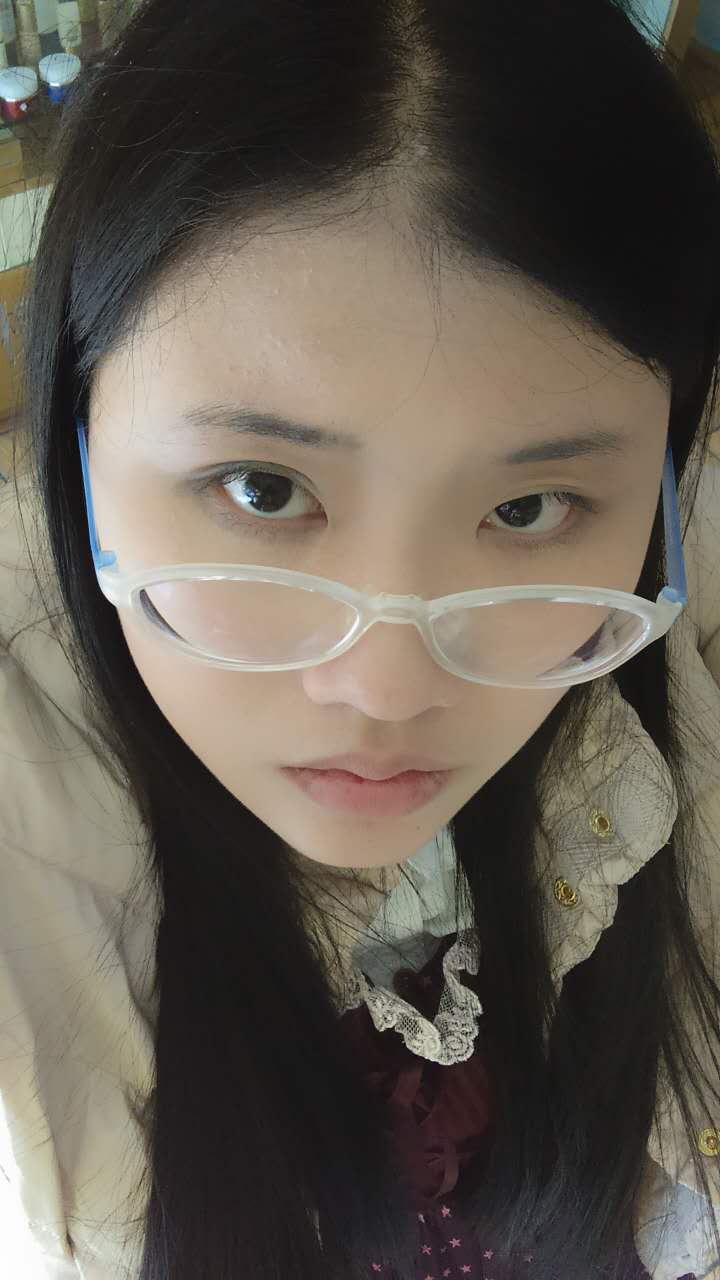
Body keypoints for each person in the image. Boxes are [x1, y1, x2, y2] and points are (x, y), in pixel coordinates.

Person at [1, 0, 720, 1277]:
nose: (386, 689)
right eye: (262, 488)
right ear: (78, 449)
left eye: (530, 508)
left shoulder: (659, 649)